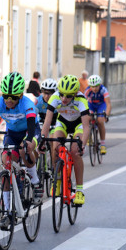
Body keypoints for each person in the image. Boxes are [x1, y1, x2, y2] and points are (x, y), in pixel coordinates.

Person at [0, 72, 42, 206]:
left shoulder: (27, 103)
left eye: (13, 97)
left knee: (23, 150)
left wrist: (28, 140)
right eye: (6, 96)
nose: (9, 100)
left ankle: (36, 183)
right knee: (6, 162)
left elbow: (32, 124)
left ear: (20, 95)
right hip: (12, 133)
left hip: (30, 131)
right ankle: (7, 211)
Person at [40, 75, 90, 205]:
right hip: (62, 122)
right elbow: (47, 122)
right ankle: (56, 179)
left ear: (75, 94)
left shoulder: (81, 100)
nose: (64, 98)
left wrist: (82, 145)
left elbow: (86, 127)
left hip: (78, 124)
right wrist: (42, 139)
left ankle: (79, 190)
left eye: (68, 96)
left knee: (75, 151)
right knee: (55, 145)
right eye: (62, 94)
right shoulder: (54, 97)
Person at [84, 74, 111, 154]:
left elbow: (108, 104)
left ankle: (103, 145)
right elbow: (83, 103)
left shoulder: (103, 90)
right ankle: (89, 136)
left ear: (100, 85)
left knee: (100, 121)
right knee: (87, 118)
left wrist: (106, 115)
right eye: (92, 86)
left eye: (96, 86)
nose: (94, 88)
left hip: (101, 105)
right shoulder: (87, 91)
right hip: (91, 105)